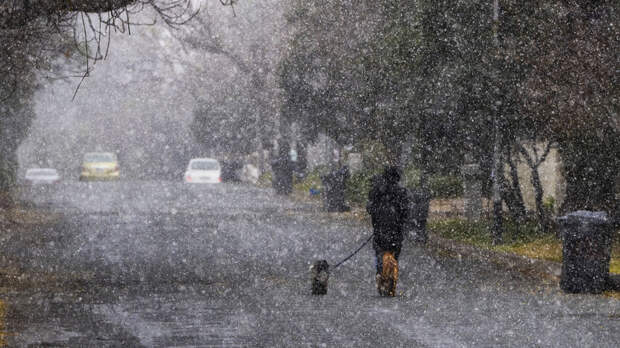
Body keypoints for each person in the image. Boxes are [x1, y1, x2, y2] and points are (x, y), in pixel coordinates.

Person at [366, 166, 409, 293]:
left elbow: (370, 208)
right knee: (395, 253)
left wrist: (377, 215)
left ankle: (380, 274)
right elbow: (405, 211)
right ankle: (392, 276)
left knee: (379, 252)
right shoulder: (402, 192)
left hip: (379, 228)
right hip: (396, 230)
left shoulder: (377, 191)